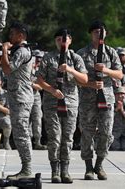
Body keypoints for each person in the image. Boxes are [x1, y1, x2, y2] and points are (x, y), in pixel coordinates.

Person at [36, 28, 88, 183]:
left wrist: (70, 69)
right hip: (52, 102)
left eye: (64, 39)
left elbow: (85, 79)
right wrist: (52, 90)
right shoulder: (48, 57)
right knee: (54, 137)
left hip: (70, 102)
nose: (61, 42)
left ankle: (65, 170)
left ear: (70, 41)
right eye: (58, 39)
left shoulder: (76, 58)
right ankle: (55, 171)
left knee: (68, 138)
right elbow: (39, 79)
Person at [77, 20, 122, 181]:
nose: (99, 34)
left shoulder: (111, 53)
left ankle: (100, 164)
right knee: (87, 134)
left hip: (107, 98)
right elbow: (74, 78)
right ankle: (88, 167)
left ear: (106, 34)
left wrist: (105, 70)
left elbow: (119, 74)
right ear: (91, 34)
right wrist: (90, 83)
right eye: (96, 31)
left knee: (107, 133)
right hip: (88, 99)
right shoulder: (82, 53)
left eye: (101, 31)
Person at [1, 22, 34, 180]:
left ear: (21, 35)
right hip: (18, 97)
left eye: (12, 33)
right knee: (20, 132)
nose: (10, 36)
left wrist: (4, 51)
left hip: (21, 97)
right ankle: (25, 167)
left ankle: (27, 168)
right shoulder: (21, 50)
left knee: (21, 133)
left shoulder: (21, 51)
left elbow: (7, 69)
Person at [30, 49, 45, 150]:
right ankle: (27, 142)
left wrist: (31, 84)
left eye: (40, 59)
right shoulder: (27, 68)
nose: (38, 61)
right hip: (25, 96)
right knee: (26, 120)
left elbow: (41, 86)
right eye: (36, 59)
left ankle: (37, 141)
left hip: (36, 97)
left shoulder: (41, 71)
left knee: (37, 118)